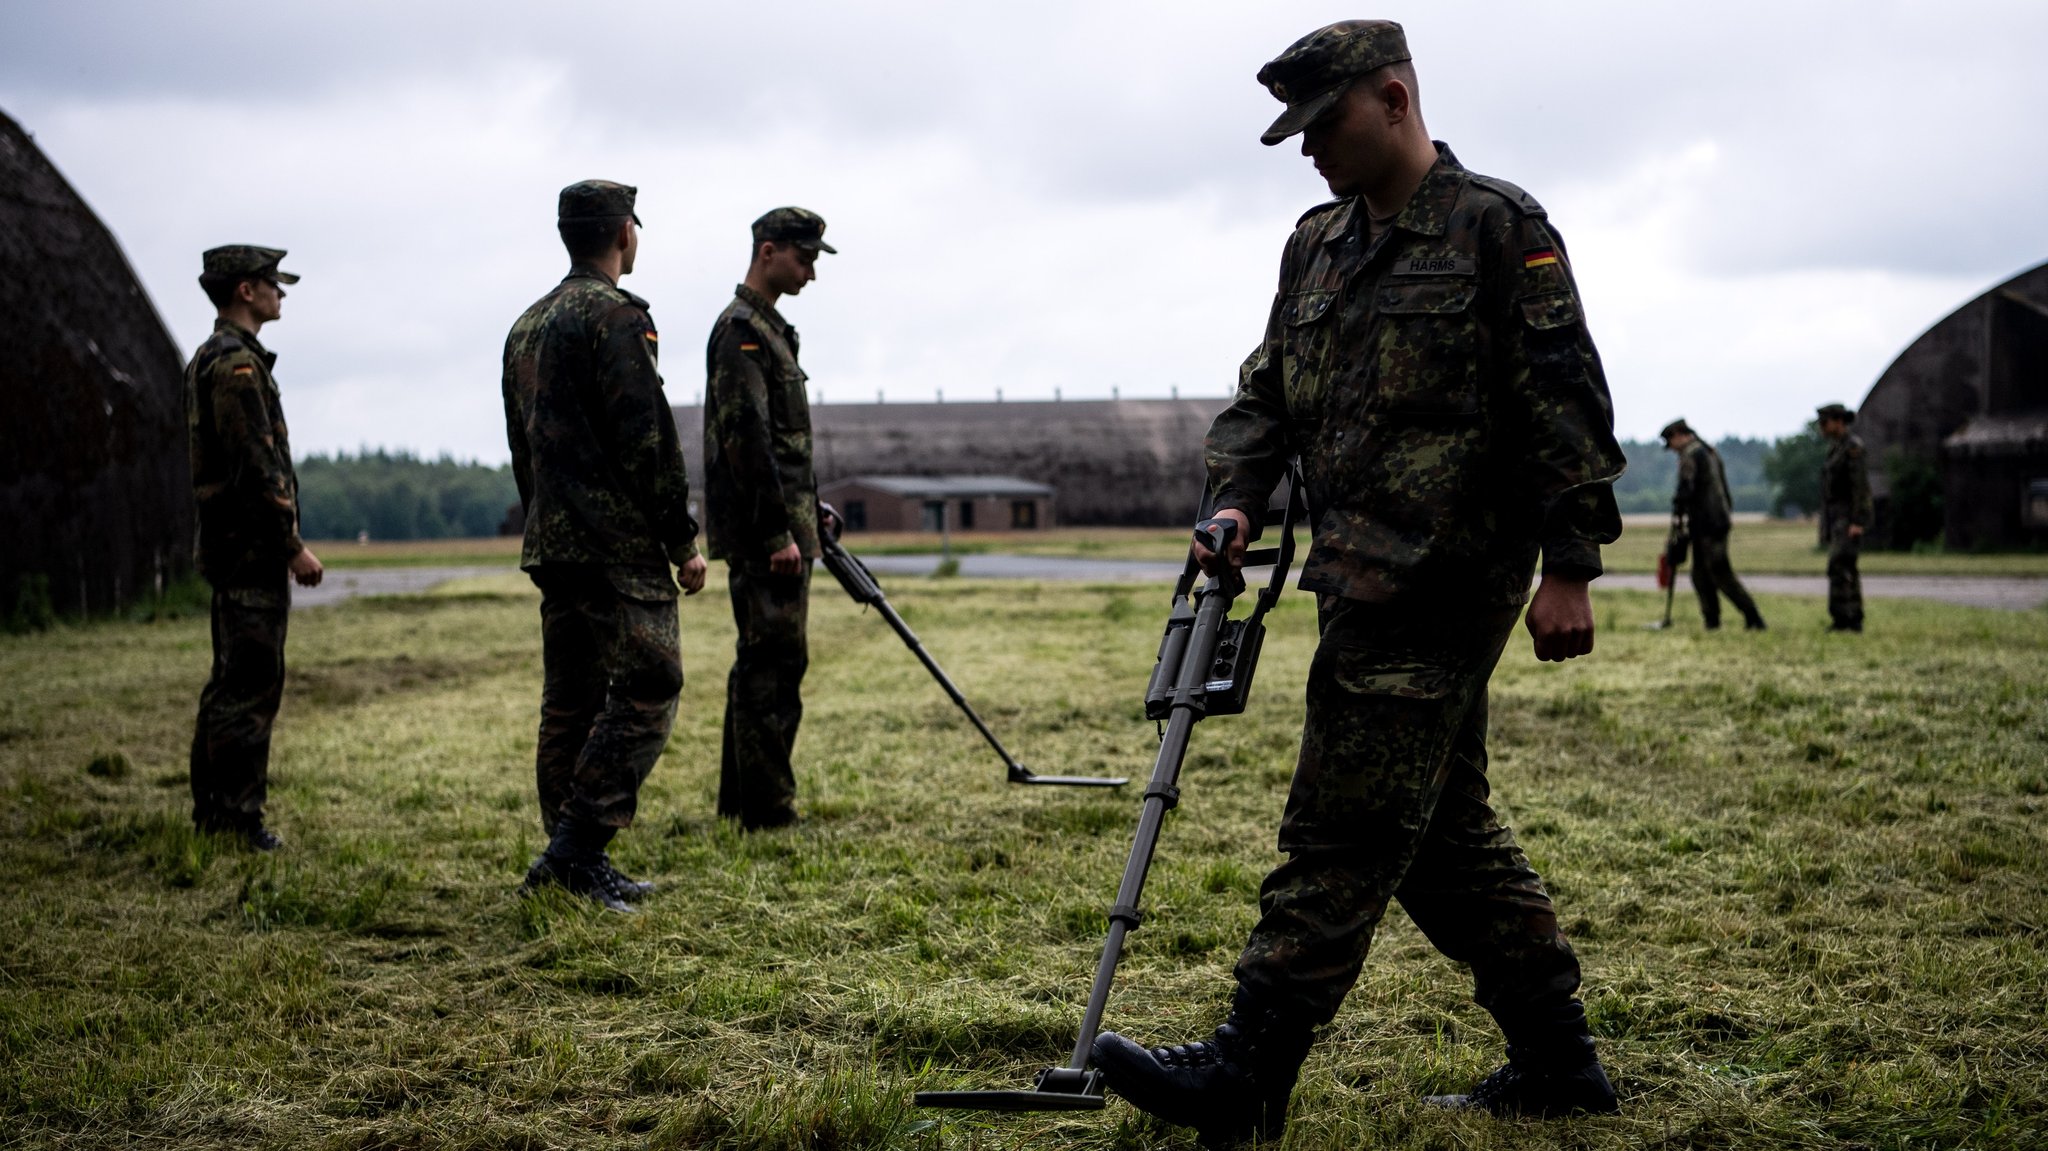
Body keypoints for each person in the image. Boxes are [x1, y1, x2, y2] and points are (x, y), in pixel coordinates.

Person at [1089, 21, 1627, 1145]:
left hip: (1447, 574)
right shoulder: (1315, 246)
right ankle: (1557, 1060)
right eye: (1293, 131)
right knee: (1436, 831)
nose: (1305, 150)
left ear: (1392, 99)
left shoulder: (1496, 227)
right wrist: (1234, 495)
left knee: (1338, 821)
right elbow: (1265, 396)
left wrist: (1570, 562)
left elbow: (1563, 402)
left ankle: (1246, 1064)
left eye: (1322, 124)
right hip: (1349, 571)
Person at [502, 180, 707, 913]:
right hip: (616, 544)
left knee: (573, 703)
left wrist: (544, 522)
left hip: (555, 542)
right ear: (625, 233)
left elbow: (523, 449)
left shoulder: (527, 325)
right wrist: (680, 537)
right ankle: (576, 851)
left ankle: (571, 864)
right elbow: (645, 437)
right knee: (651, 682)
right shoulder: (614, 317)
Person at [184, 246, 324, 851]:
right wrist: (291, 544)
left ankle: (215, 814)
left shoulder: (214, 358)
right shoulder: (237, 367)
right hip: (250, 550)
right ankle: (236, 820)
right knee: (250, 685)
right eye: (272, 284)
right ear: (245, 290)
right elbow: (256, 465)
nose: (280, 294)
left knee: (229, 681)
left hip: (232, 546)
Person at [702, 207, 838, 830]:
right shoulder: (741, 333)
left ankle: (744, 803)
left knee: (768, 663)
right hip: (767, 539)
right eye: (804, 258)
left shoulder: (770, 329)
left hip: (783, 527)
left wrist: (811, 510)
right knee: (772, 669)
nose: (811, 272)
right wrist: (778, 531)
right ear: (767, 252)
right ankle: (768, 810)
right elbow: (746, 440)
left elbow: (784, 445)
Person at [1660, 418, 1765, 630]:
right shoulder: (1708, 452)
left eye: (1670, 443)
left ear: (1678, 435)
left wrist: (1679, 506)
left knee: (1719, 572)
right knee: (1700, 574)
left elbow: (1686, 489)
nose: (1671, 449)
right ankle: (1712, 620)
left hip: (1709, 523)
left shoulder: (1692, 454)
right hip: (1711, 522)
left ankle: (1752, 616)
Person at [1816, 402, 1871, 631]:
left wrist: (1858, 521)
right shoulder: (1837, 448)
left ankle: (1849, 618)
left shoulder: (1852, 448)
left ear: (1839, 421)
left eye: (1825, 422)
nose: (1822, 428)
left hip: (1848, 517)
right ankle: (1845, 618)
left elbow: (1860, 487)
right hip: (1837, 517)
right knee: (1841, 566)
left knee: (1841, 564)